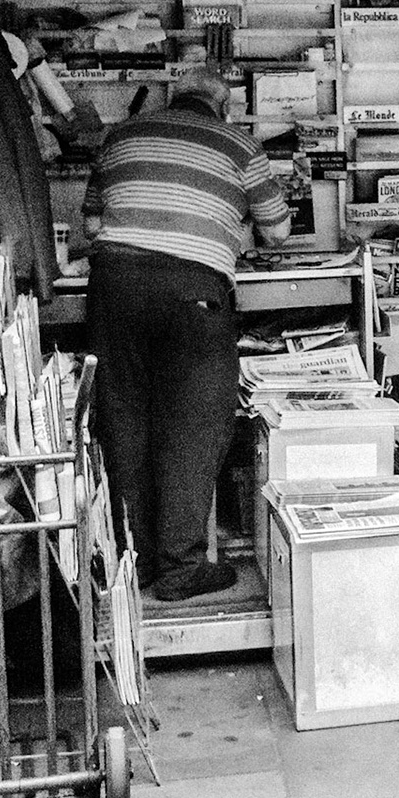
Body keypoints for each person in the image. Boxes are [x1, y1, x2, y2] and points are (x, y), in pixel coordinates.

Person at [79, 66, 290, 602]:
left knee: (124, 418)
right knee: (193, 424)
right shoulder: (239, 145)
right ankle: (180, 570)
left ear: (173, 97)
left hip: (115, 286)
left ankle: (136, 560)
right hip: (192, 291)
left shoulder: (121, 136)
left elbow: (90, 226)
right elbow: (279, 230)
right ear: (221, 106)